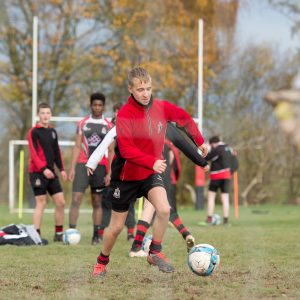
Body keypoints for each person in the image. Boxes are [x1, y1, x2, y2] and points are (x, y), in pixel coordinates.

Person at [91, 66, 208, 277]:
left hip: (148, 174)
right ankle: (101, 262)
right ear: (131, 90)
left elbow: (184, 118)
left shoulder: (161, 108)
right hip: (125, 178)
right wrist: (151, 161)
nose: (145, 93)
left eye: (148, 88)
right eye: (140, 89)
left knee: (164, 209)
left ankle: (154, 252)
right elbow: (125, 150)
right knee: (116, 228)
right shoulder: (125, 114)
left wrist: (200, 142)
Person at [68, 92, 112, 245]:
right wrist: (72, 168)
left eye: (100, 105)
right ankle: (70, 232)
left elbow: (112, 151)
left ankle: (96, 235)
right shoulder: (82, 123)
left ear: (103, 107)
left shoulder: (108, 125)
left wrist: (110, 172)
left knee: (97, 201)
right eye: (95, 105)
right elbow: (76, 145)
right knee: (76, 199)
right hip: (82, 165)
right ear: (91, 106)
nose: (97, 108)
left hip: (100, 166)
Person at [27, 102, 67, 242]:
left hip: (51, 173)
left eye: (48, 113)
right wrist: (43, 169)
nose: (45, 116)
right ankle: (36, 235)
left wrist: (61, 169)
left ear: (51, 115)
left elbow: (56, 152)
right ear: (38, 115)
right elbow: (34, 154)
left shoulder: (53, 131)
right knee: (41, 202)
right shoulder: (33, 132)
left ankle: (59, 234)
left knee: (61, 202)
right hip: (37, 173)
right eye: (43, 113)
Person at [98, 103, 136, 242]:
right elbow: (109, 151)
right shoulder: (111, 128)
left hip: (127, 171)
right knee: (108, 202)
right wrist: (109, 173)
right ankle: (102, 231)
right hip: (112, 171)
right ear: (114, 113)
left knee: (129, 202)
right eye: (116, 112)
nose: (119, 114)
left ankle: (131, 233)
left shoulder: (131, 127)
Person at [198, 135, 236, 226]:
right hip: (227, 176)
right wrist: (230, 172)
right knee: (225, 199)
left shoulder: (217, 149)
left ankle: (209, 220)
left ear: (213, 144)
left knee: (211, 198)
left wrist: (206, 149)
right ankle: (226, 221)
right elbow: (235, 163)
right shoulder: (229, 149)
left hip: (216, 176)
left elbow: (205, 158)